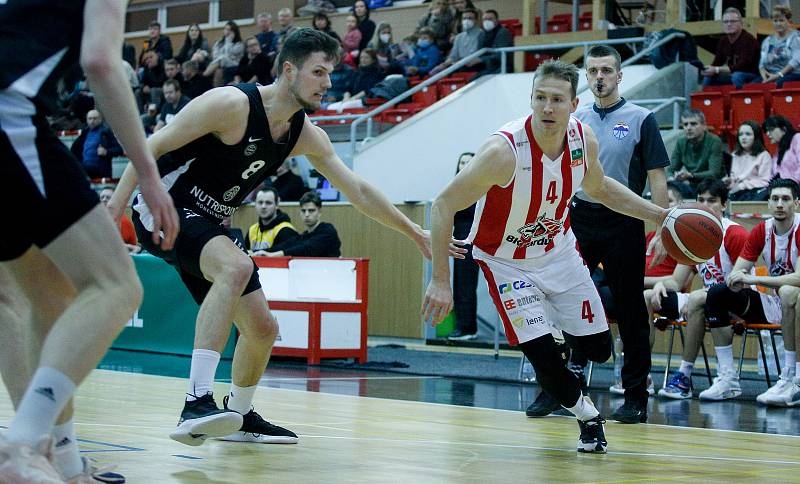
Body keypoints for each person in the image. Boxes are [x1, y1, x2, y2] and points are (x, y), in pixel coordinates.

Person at [109, 28, 445, 448]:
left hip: (208, 221)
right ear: (289, 70)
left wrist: (413, 230)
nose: (328, 82)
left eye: (331, 73)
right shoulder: (231, 104)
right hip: (162, 206)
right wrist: (112, 212)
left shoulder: (304, 134)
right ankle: (196, 401)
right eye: (319, 72)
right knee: (236, 266)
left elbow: (356, 190)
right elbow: (151, 145)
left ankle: (238, 414)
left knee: (263, 328)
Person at [423, 59, 670, 453]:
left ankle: (554, 329)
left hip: (559, 253)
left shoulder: (583, 139)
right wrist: (440, 279)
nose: (547, 107)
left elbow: (602, 188)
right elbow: (442, 205)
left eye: (557, 99)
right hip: (505, 262)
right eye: (540, 98)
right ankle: (588, 416)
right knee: (545, 362)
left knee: (599, 350)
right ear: (531, 99)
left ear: (575, 104)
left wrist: (661, 216)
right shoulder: (502, 151)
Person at [0, 1, 178, 482]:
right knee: (118, 286)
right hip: (10, 117)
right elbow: (101, 61)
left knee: (46, 295)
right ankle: (20, 444)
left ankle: (62, 459)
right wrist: (148, 174)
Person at [556, 45, 670, 424]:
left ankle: (635, 395)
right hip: (579, 217)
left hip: (624, 219)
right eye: (593, 71)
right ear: (586, 78)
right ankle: (558, 389)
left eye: (607, 70)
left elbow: (657, 178)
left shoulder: (642, 118)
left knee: (631, 308)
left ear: (620, 76)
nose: (600, 77)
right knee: (561, 299)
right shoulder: (575, 118)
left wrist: (660, 228)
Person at [646, 179, 748, 399]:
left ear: (724, 205)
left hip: (736, 300)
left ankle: (684, 374)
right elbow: (676, 281)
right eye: (701, 200)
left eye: (711, 200)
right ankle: (641, 372)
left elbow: (744, 280)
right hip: (704, 299)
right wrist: (661, 284)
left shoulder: (735, 233)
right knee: (646, 297)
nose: (705, 204)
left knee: (698, 299)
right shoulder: (692, 233)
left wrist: (702, 296)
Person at [704, 178, 800, 404]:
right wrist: (736, 279)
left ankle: (793, 377)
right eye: (774, 199)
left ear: (796, 204)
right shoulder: (761, 231)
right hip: (778, 304)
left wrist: (753, 277)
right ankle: (727, 379)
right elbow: (736, 275)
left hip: (795, 300)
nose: (779, 204)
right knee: (717, 293)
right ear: (767, 203)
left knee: (788, 291)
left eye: (785, 199)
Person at [447, 152, 480, 341]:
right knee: (460, 283)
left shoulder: (479, 186)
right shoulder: (455, 187)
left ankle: (468, 328)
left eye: (469, 162)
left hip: (472, 238)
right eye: (462, 162)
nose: (464, 165)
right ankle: (463, 326)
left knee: (466, 284)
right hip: (459, 238)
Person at [668, 109, 725, 198]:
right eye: (685, 124)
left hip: (711, 186)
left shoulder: (714, 141)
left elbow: (714, 173)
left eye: (693, 124)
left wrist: (691, 175)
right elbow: (671, 170)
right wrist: (672, 178)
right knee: (670, 188)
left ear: (704, 126)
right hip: (691, 186)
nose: (689, 128)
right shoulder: (681, 142)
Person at [266, 191, 342, 257]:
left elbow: (307, 248)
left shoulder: (328, 231)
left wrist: (278, 254)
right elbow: (286, 245)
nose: (307, 214)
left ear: (319, 212)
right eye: (303, 211)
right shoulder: (304, 236)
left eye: (311, 210)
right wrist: (262, 252)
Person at [702, 7, 760, 89]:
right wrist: (708, 69)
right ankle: (706, 100)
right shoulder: (723, 41)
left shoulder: (748, 40)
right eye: (726, 22)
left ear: (741, 23)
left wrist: (717, 69)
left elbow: (742, 66)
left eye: (732, 21)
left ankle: (739, 100)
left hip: (753, 76)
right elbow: (717, 62)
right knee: (708, 76)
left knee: (737, 76)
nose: (729, 24)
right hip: (733, 74)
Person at [70, 109, 123, 180]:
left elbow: (119, 150)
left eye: (95, 118)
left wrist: (106, 152)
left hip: (100, 169)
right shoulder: (85, 133)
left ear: (100, 119)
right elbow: (73, 150)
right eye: (90, 119)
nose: (92, 121)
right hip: (85, 168)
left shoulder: (106, 132)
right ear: (86, 120)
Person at [429, 8, 483, 76]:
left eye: (470, 18)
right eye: (464, 18)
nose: (466, 20)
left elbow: (478, 55)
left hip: (474, 64)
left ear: (476, 20)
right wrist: (444, 65)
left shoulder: (481, 34)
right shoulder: (459, 37)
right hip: (459, 64)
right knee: (438, 71)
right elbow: (453, 56)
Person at [245, 188, 299, 256]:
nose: (263, 206)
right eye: (260, 202)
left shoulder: (286, 230)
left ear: (277, 204)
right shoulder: (252, 229)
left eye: (268, 203)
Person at [727, 121, 772, 201]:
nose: (743, 138)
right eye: (740, 134)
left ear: (756, 137)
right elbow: (733, 176)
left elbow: (765, 181)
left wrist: (742, 186)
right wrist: (729, 181)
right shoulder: (734, 155)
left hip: (753, 192)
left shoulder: (764, 155)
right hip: (735, 191)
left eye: (748, 134)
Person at [757, 5, 800, 88]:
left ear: (789, 21)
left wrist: (778, 75)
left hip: (792, 74)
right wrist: (765, 78)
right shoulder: (767, 41)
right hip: (771, 75)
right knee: (753, 86)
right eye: (775, 21)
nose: (778, 24)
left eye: (781, 20)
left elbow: (795, 61)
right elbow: (761, 64)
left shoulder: (796, 37)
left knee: (777, 84)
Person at [99, 187, 140, 254]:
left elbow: (113, 245)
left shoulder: (123, 221)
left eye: (108, 197)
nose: (104, 200)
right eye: (102, 197)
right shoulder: (98, 219)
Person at [204, 21, 244, 87]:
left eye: (230, 30)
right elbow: (215, 55)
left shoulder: (239, 44)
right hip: (220, 64)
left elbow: (228, 54)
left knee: (223, 58)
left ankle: (205, 74)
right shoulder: (219, 42)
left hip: (234, 64)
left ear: (234, 32)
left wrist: (229, 41)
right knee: (219, 70)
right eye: (226, 29)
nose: (227, 31)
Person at [764, 115, 800, 184]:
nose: (768, 134)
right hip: (782, 188)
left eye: (771, 129)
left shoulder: (797, 138)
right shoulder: (779, 149)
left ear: (784, 129)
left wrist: (791, 183)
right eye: (767, 131)